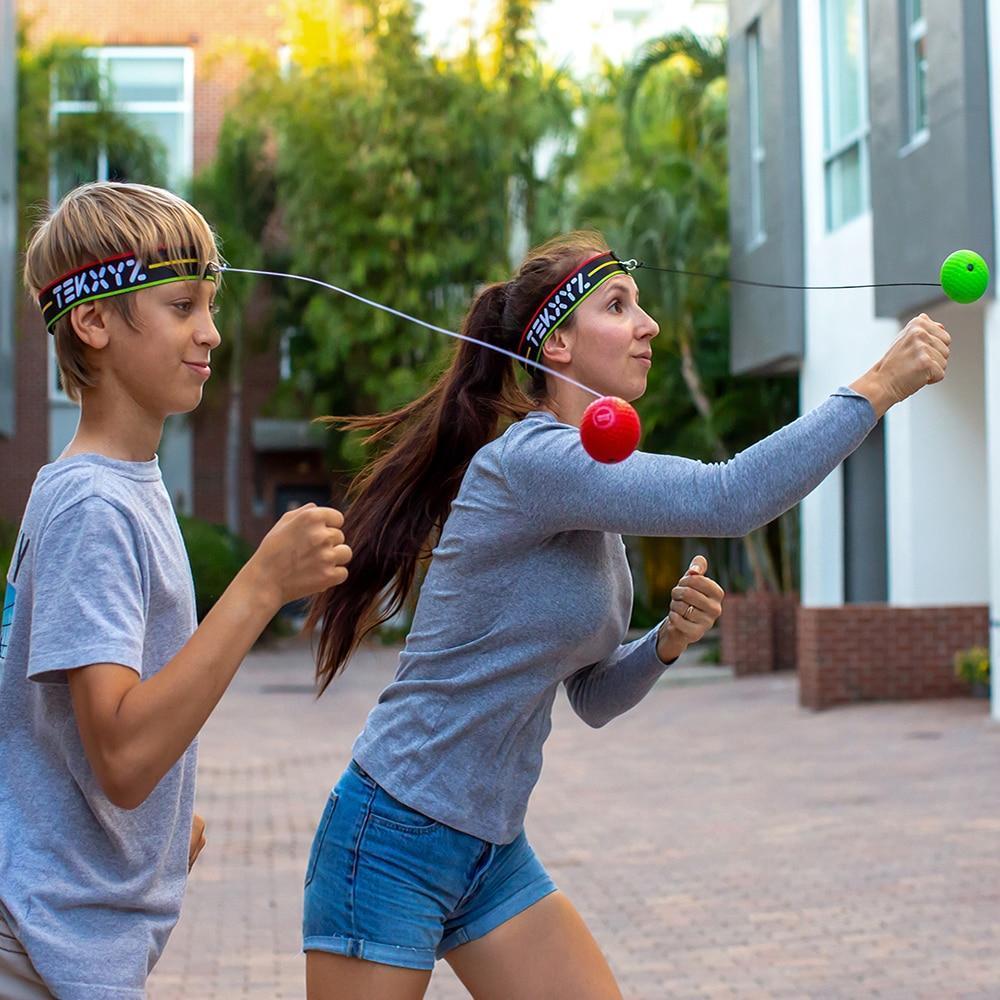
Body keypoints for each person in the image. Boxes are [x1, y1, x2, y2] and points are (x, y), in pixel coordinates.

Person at [300, 231, 950, 1000]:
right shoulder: (532, 464)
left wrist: (665, 643)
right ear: (560, 345)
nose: (649, 326)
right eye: (619, 306)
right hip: (393, 834)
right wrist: (876, 385)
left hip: (488, 848)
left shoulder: (592, 496)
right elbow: (728, 496)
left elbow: (592, 700)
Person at [0, 181, 353, 999]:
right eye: (183, 305)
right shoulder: (94, 504)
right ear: (93, 321)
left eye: (212, 304)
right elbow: (122, 757)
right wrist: (261, 585)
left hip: (64, 933)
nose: (212, 332)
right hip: (43, 946)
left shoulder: (117, 484)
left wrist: (152, 829)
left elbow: (82, 739)